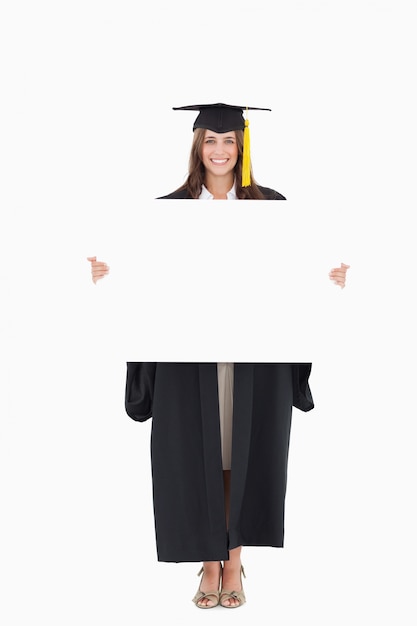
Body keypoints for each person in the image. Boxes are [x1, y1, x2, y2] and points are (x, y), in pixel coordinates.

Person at [87, 103, 350, 608]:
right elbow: (142, 278)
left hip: (257, 356)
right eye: (210, 140)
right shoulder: (168, 211)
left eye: (229, 140)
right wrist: (111, 275)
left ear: (242, 147)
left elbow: (299, 272)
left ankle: (234, 561)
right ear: (196, 146)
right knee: (198, 452)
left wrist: (327, 278)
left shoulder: (273, 208)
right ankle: (208, 565)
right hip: (189, 359)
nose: (220, 150)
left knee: (242, 453)